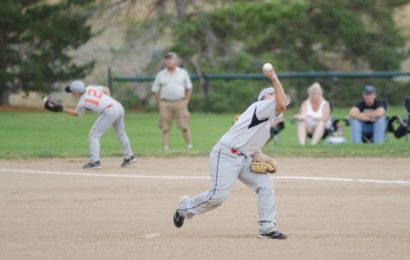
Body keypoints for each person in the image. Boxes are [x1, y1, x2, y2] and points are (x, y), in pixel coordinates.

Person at [173, 65, 289, 240]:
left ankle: (267, 227)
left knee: (265, 185)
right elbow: (281, 105)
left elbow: (254, 151)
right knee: (217, 197)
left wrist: (269, 159)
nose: (277, 98)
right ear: (265, 98)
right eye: (272, 94)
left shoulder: (265, 125)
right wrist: (274, 78)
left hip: (242, 158)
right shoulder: (260, 107)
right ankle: (184, 207)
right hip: (226, 154)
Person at [63, 80, 136, 169]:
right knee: (121, 133)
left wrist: (61, 109)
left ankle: (95, 162)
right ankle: (129, 156)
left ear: (77, 93)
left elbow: (76, 113)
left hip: (109, 110)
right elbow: (106, 89)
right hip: (117, 106)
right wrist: (108, 101)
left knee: (94, 134)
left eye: (72, 92)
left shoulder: (82, 102)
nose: (72, 94)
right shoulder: (90, 88)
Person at [152, 52, 193, 151]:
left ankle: (189, 147)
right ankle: (166, 148)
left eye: (170, 59)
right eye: (166, 59)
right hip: (165, 103)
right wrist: (160, 102)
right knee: (165, 127)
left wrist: (186, 100)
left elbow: (189, 88)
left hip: (180, 102)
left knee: (184, 126)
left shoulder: (183, 73)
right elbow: (155, 90)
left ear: (176, 61)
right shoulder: (160, 74)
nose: (168, 61)